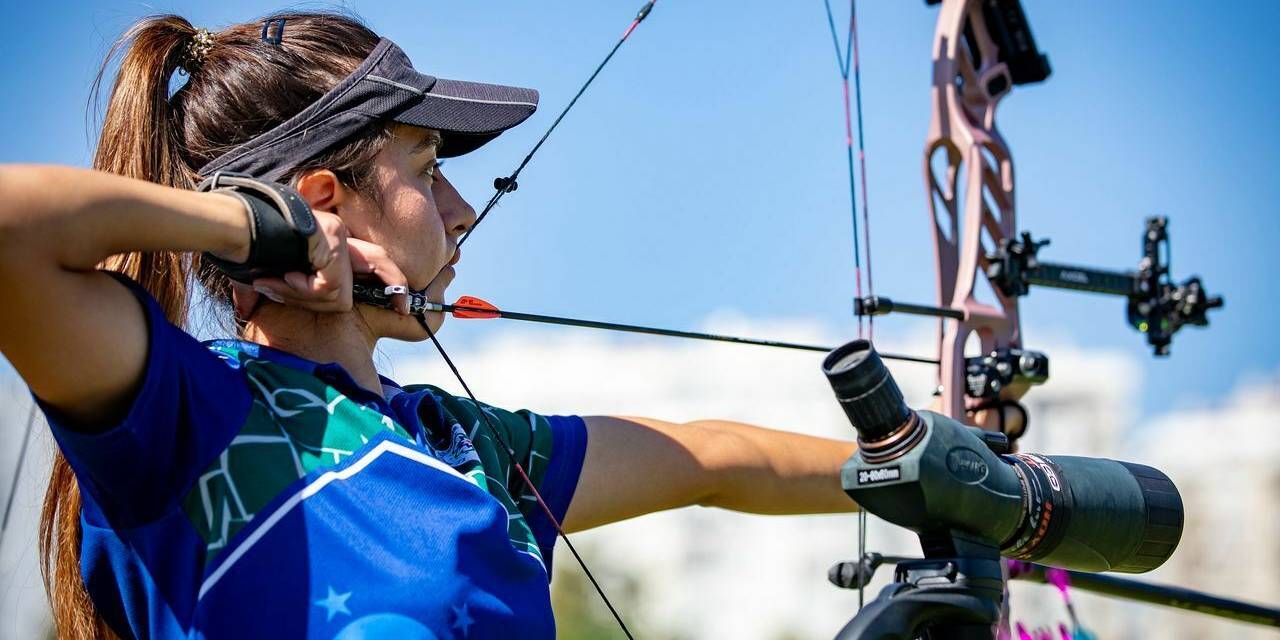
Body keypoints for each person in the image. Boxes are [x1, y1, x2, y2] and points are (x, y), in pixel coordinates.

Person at [0, 11, 861, 640]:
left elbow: (712, 458)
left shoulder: (462, 446)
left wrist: (936, 467)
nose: (460, 212)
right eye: (426, 166)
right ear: (325, 202)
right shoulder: (191, 414)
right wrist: (245, 225)